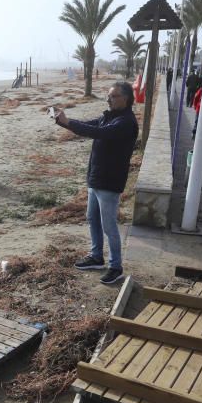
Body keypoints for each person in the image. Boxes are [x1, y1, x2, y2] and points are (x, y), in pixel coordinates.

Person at [53, 82, 139, 285]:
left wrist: (69, 123)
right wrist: (65, 122)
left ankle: (116, 266)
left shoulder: (126, 122)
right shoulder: (109, 116)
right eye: (108, 96)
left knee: (109, 225)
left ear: (125, 98)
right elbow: (91, 125)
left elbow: (100, 133)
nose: (108, 99)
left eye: (113, 96)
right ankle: (96, 256)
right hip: (96, 178)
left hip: (109, 182)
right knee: (92, 218)